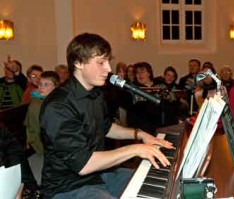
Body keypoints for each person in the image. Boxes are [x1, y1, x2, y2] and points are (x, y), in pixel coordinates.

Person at [40, 33, 173, 199]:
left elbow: (106, 127)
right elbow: (84, 164)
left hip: (99, 176)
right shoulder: (58, 106)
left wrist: (140, 134)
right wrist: (135, 149)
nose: (109, 69)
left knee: (160, 181)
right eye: (101, 62)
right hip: (67, 187)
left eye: (108, 61)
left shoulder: (95, 93)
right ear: (78, 63)